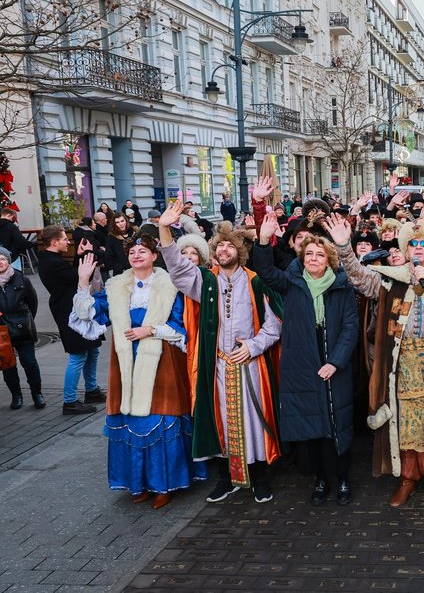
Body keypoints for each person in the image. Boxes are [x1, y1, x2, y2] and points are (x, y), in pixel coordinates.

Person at [325, 212, 424, 509]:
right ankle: (407, 480)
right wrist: (343, 248)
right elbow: (361, 281)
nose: (418, 248)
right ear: (404, 249)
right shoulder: (390, 282)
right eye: (413, 243)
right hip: (400, 370)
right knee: (402, 427)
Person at [157, 197, 283, 504]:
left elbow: (274, 326)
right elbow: (176, 266)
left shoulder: (255, 283)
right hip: (217, 368)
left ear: (239, 251)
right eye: (219, 246)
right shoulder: (205, 281)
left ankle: (259, 478)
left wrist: (252, 347)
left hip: (250, 366)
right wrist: (164, 228)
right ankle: (226, 478)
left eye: (229, 246)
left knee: (253, 421)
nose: (224, 250)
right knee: (221, 422)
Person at [70, 236, 207, 509]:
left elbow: (184, 327)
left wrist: (152, 330)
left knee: (162, 418)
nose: (136, 255)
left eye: (142, 251)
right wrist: (83, 281)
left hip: (163, 359)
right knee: (131, 421)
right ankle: (139, 483)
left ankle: (164, 484)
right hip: (125, 365)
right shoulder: (116, 285)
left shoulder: (171, 285)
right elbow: (88, 315)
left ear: (155, 255)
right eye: (132, 251)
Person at [253, 213, 359, 507]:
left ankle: (343, 478)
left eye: (319, 254)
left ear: (329, 259)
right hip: (302, 366)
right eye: (309, 253)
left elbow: (351, 328)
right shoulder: (291, 283)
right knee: (311, 428)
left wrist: (336, 362)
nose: (313, 258)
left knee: (337, 422)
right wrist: (263, 240)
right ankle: (320, 479)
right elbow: (264, 270)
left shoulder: (341, 285)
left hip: (333, 365)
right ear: (301, 257)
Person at [37, 226, 106, 414]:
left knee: (92, 350)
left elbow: (74, 274)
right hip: (68, 312)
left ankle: (91, 390)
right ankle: (70, 401)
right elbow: (81, 276)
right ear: (54, 242)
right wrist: (88, 255)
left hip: (76, 308)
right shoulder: (51, 263)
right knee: (78, 355)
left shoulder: (52, 260)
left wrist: (79, 256)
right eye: (64, 239)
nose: (68, 241)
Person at [0, 247, 44, 410]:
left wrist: (26, 318)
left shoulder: (21, 279)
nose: (0, 262)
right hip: (2, 331)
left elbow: (33, 303)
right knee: (8, 365)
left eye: (3, 259)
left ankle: (37, 394)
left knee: (29, 362)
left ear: (8, 261)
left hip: (23, 327)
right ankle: (16, 396)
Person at [104, 212, 135, 276]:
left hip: (136, 269)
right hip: (121, 273)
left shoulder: (134, 233)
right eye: (117, 222)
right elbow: (109, 257)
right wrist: (119, 267)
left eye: (122, 221)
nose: (121, 224)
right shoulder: (111, 237)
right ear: (114, 224)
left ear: (126, 221)